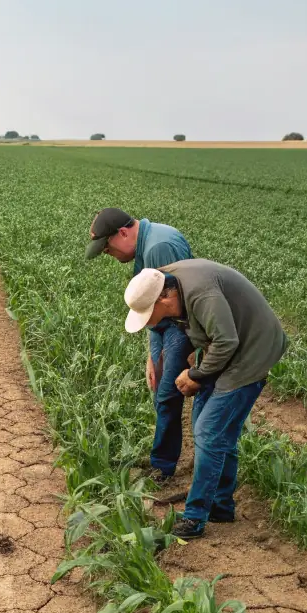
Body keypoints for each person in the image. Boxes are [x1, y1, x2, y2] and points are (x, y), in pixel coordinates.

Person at [121, 260, 288, 540]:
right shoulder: (167, 280)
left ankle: (195, 518)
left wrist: (197, 374)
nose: (152, 321)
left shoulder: (200, 294)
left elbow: (226, 341)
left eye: (152, 313)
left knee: (209, 431)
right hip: (224, 349)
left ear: (166, 296)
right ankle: (220, 504)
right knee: (211, 428)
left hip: (251, 352)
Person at [86, 208, 192, 485]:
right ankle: (162, 459)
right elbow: (151, 307)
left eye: (107, 249)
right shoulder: (148, 243)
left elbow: (172, 308)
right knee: (159, 389)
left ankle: (163, 468)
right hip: (163, 326)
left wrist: (187, 353)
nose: (109, 255)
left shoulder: (159, 247)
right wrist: (151, 356)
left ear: (122, 233)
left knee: (168, 394)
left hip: (177, 327)